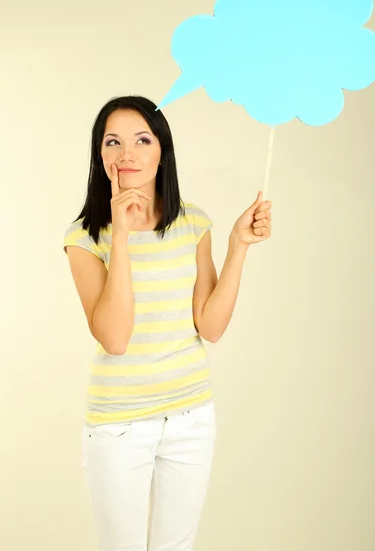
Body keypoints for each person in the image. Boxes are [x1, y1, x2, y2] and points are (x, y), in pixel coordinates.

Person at [63, 95, 272, 551]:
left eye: (142, 139)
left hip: (191, 417)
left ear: (162, 150)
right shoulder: (84, 238)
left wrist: (238, 246)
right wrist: (121, 235)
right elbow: (115, 338)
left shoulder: (193, 222)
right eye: (112, 142)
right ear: (100, 157)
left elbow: (210, 327)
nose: (127, 154)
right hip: (119, 425)